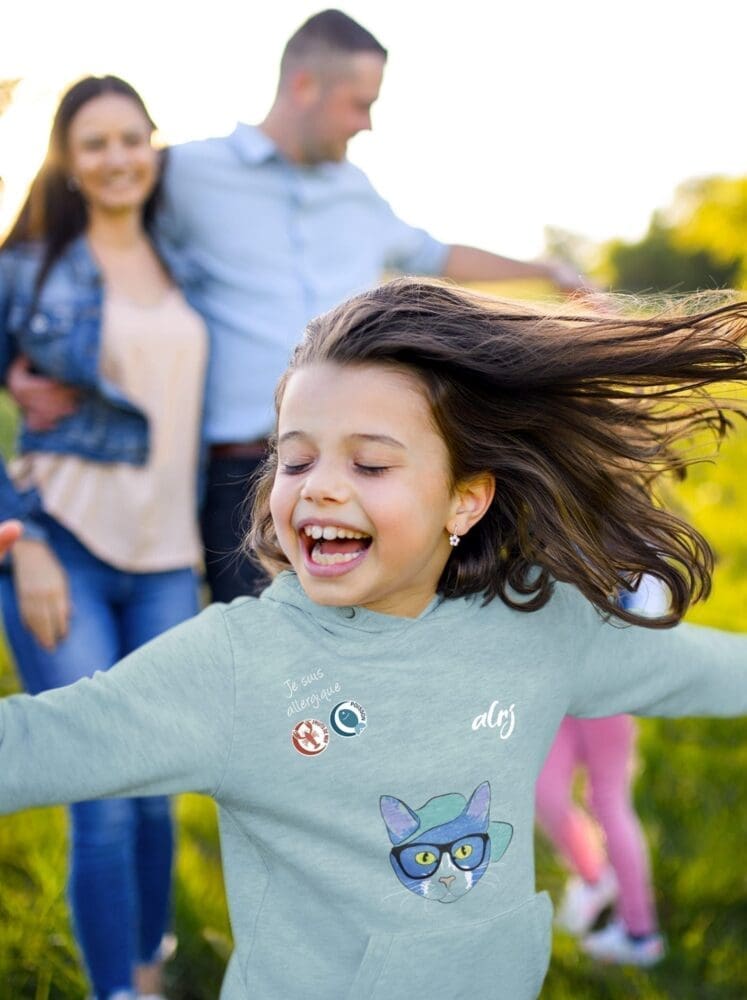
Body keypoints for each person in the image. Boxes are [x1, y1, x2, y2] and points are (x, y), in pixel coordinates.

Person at [1, 279, 746, 999]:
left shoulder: (537, 625)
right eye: (295, 459)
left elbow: (711, 669)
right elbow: (29, 747)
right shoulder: (236, 666)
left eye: (370, 463)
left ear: (464, 500)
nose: (318, 486)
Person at [6, 9, 590, 603]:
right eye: (359, 104)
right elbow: (92, 236)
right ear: (305, 86)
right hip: (242, 474)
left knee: (371, 634)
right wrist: (22, 367)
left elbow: (436, 254)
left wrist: (547, 271)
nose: (366, 124)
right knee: (266, 650)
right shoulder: (185, 171)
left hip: (363, 464)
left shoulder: (357, 191)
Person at [0, 75, 209, 1000]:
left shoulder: (187, 262)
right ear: (68, 161)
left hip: (167, 561)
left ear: (153, 146)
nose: (118, 158)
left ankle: (145, 967)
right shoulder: (26, 269)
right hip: (61, 548)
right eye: (95, 143)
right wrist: (20, 541)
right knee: (105, 799)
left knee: (157, 791)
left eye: (133, 138)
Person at [535, 578, 671, 966]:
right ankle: (595, 878)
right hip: (558, 691)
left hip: (606, 694)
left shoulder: (629, 558)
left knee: (607, 802)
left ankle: (640, 934)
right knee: (544, 792)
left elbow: (650, 607)